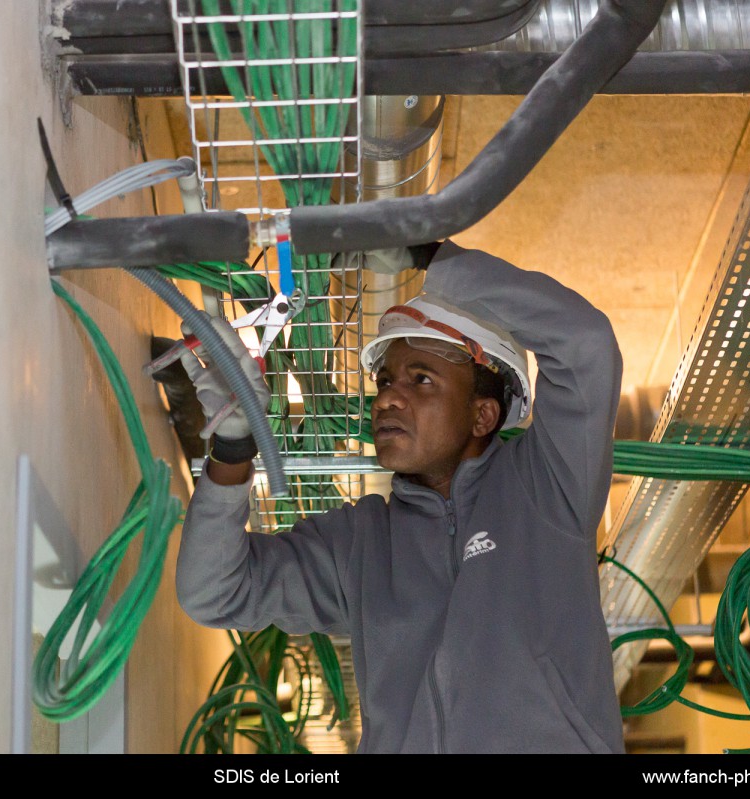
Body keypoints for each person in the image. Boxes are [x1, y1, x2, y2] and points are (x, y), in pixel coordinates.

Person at [175, 239, 625, 754]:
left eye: (421, 379)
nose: (387, 396)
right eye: (385, 380)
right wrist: (233, 449)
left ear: (483, 415)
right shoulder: (359, 545)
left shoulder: (546, 486)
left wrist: (427, 256)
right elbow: (213, 591)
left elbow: (585, 343)